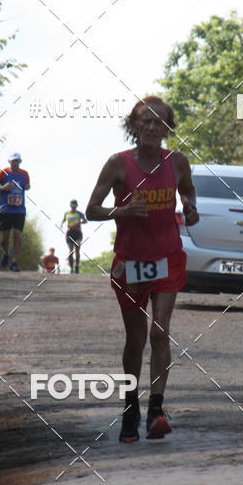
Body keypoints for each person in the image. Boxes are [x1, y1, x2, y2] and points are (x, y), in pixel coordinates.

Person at [86, 95, 199, 443]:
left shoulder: (177, 162)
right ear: (133, 126)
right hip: (130, 263)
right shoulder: (117, 165)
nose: (151, 127)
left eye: (159, 121)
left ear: (168, 128)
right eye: (145, 121)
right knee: (135, 339)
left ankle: (156, 411)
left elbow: (189, 194)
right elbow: (92, 209)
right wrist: (120, 212)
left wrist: (191, 209)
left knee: (160, 332)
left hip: (167, 259)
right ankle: (131, 407)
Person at [0, 152, 30, 272]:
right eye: (13, 161)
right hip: (5, 209)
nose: (15, 163)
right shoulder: (3, 173)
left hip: (19, 209)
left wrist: (27, 187)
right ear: (9, 162)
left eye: (17, 161)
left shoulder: (24, 174)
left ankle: (14, 262)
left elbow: (28, 185)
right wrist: (2, 188)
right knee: (4, 238)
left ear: (20, 161)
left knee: (18, 236)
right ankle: (6, 253)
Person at [61, 200, 87, 273]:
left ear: (76, 206)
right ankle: (71, 268)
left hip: (78, 233)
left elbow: (85, 221)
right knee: (71, 251)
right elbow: (63, 220)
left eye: (75, 206)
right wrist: (61, 224)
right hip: (69, 233)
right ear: (70, 206)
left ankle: (77, 266)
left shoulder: (79, 213)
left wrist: (78, 222)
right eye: (72, 206)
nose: (73, 207)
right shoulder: (67, 213)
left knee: (77, 250)